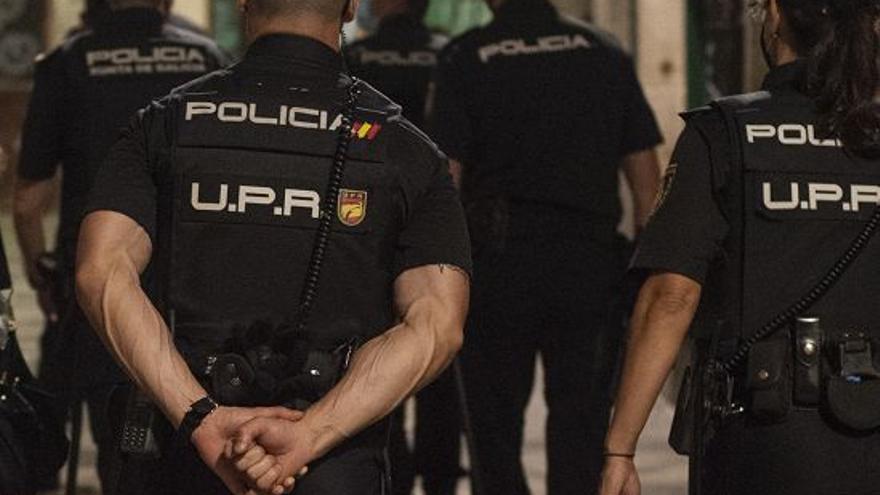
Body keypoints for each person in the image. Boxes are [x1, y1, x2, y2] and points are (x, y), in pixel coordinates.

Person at [74, 0, 472, 493]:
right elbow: (437, 324)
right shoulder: (405, 150)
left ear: (242, 3)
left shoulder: (164, 125)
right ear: (349, 8)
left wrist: (200, 416)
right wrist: (310, 434)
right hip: (331, 465)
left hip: (182, 453)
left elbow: (101, 272)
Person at [600, 1, 880, 494]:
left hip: (763, 434)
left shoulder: (725, 133)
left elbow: (671, 295)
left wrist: (621, 446)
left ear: (773, 15)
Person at [430, 0, 662, 493]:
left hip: (498, 264)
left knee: (494, 429)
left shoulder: (465, 56)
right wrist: (642, 268)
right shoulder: (605, 52)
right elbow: (645, 176)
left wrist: (442, 272)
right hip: (588, 262)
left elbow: (446, 179)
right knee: (582, 423)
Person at [13, 0, 226, 491]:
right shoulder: (208, 58)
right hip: (192, 287)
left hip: (96, 283)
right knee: (194, 435)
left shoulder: (66, 63)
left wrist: (43, 273)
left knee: (115, 437)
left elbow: (27, 201)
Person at [348, 2, 461, 494]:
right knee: (436, 365)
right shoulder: (451, 55)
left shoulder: (356, 57)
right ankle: (437, 479)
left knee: (371, 360)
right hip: (436, 228)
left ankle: (391, 475)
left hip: (365, 231)